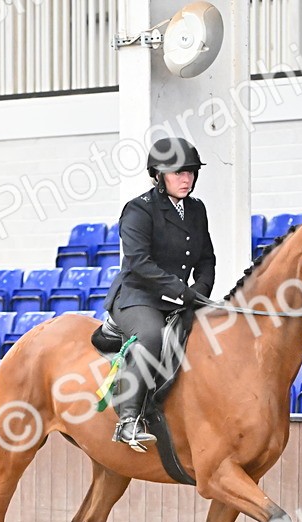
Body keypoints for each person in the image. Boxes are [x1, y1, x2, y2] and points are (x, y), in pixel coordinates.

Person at [102, 137, 215, 450]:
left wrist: (200, 290)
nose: (186, 179)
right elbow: (139, 263)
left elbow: (206, 259)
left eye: (190, 173)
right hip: (138, 297)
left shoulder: (196, 209)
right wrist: (181, 291)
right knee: (151, 336)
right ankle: (128, 418)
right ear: (159, 176)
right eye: (178, 173)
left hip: (179, 298)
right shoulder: (139, 209)